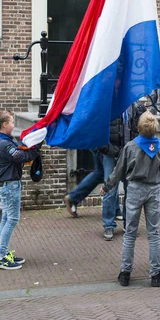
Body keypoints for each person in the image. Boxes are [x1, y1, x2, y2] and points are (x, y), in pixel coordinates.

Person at [101, 111, 160, 287]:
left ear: (138, 127)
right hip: (153, 189)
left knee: (130, 233)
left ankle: (125, 273)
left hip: (135, 190)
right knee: (153, 233)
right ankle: (156, 274)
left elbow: (118, 170)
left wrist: (107, 186)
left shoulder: (130, 147)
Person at [64, 101, 145, 241]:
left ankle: (129, 224)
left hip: (129, 153)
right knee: (109, 188)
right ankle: (108, 225)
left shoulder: (135, 106)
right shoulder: (108, 105)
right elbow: (98, 132)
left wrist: (133, 149)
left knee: (130, 189)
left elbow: (140, 131)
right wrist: (113, 151)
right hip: (111, 154)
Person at [0, 110, 41, 270]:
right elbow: (21, 157)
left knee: (6, 218)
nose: (14, 125)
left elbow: (19, 153)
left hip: (7, 184)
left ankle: (4, 252)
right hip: (9, 184)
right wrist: (36, 148)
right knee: (12, 219)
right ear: (5, 125)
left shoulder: (3, 140)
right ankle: (0, 257)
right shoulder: (4, 144)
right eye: (12, 122)